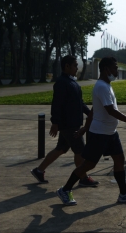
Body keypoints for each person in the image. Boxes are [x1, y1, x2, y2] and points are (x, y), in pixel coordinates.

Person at [56, 56, 126, 206]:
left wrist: (85, 128)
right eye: (115, 68)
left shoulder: (106, 85)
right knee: (88, 165)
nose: (117, 71)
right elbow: (111, 111)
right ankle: (64, 190)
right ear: (106, 69)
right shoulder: (102, 87)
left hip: (110, 132)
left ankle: (123, 194)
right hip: (100, 134)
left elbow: (93, 111)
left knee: (119, 160)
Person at [30, 55, 98, 187]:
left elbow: (80, 103)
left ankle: (39, 170)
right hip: (69, 124)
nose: (76, 69)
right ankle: (83, 177)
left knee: (61, 149)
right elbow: (57, 104)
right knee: (80, 151)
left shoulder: (72, 82)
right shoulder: (62, 83)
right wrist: (55, 123)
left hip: (72, 123)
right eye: (75, 66)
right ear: (67, 66)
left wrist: (90, 114)